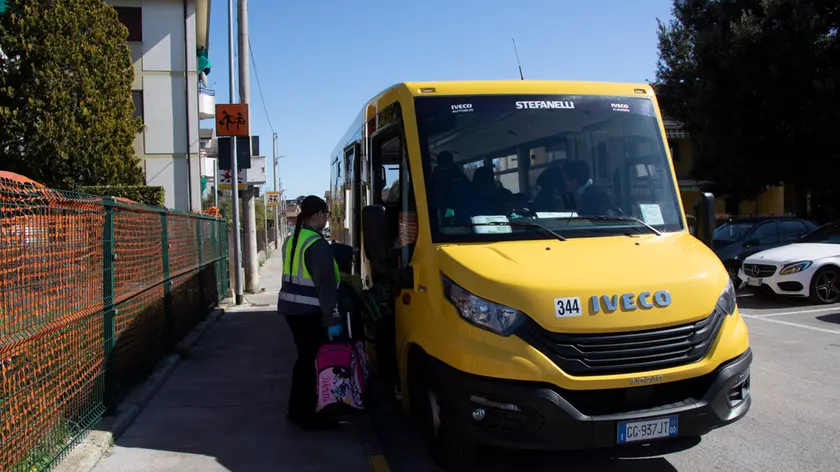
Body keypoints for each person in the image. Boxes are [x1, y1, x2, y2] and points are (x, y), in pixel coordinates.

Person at [277, 195, 343, 430]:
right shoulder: (317, 245)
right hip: (310, 312)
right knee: (313, 363)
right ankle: (309, 414)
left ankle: (297, 410)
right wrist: (332, 318)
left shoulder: (293, 239)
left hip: (291, 309)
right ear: (316, 215)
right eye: (325, 214)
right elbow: (325, 287)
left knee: (304, 360)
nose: (326, 219)